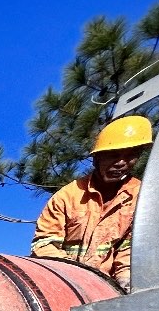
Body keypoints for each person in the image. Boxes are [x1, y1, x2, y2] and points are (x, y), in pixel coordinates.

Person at [31, 115, 152, 291]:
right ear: (96, 158)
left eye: (130, 156)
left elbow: (130, 248)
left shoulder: (140, 197)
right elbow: (44, 245)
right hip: (62, 282)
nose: (121, 163)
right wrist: (77, 276)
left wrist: (125, 279)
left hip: (105, 288)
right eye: (113, 155)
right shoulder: (68, 196)